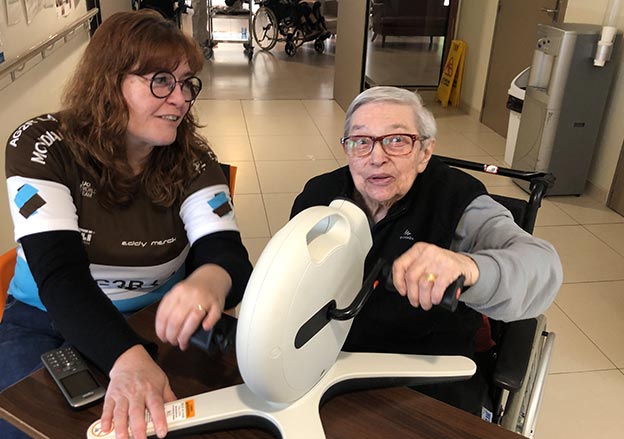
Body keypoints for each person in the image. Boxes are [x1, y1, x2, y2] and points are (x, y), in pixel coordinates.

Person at [1, 10, 252, 439]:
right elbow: (60, 276)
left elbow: (229, 254)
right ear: (108, 82)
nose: (180, 99)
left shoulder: (193, 156)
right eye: (160, 81)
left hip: (156, 317)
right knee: (26, 424)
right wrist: (128, 358)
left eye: (187, 83)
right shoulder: (42, 145)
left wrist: (211, 278)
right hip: (46, 316)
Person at [290, 86, 563, 417]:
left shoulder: (457, 201)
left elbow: (542, 266)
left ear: (425, 151)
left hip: (429, 374)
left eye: (397, 140)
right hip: (332, 360)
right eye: (361, 141)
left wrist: (468, 267)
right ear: (347, 149)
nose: (376, 157)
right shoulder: (319, 195)